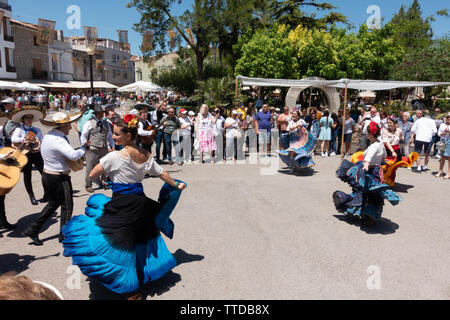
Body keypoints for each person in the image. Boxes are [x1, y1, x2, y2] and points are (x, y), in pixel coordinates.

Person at [61, 115, 186, 300]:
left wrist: (107, 180)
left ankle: (131, 290)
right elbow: (162, 174)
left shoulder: (115, 156)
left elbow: (93, 174)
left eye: (118, 134)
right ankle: (142, 274)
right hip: (140, 202)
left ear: (129, 135)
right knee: (139, 237)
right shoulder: (146, 154)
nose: (115, 137)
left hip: (123, 203)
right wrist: (176, 185)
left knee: (120, 241)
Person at [23, 112, 86, 246]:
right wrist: (83, 148)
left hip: (48, 175)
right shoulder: (59, 139)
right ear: (63, 125)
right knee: (67, 206)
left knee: (53, 204)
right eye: (68, 125)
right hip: (59, 178)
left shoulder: (50, 135)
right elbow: (73, 155)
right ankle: (64, 236)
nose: (70, 127)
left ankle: (33, 229)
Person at [333, 121, 401, 227]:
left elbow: (368, 158)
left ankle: (368, 216)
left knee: (366, 192)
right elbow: (383, 155)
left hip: (371, 171)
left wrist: (365, 165)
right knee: (372, 195)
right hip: (378, 171)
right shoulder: (380, 143)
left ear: (369, 134)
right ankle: (369, 215)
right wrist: (384, 161)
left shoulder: (373, 146)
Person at [10, 107, 48, 205]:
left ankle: (46, 194)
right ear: (23, 120)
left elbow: (41, 140)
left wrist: (36, 141)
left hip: (36, 154)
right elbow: (13, 139)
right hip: (25, 155)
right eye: (27, 118)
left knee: (44, 174)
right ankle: (32, 196)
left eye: (31, 117)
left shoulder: (37, 129)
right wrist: (24, 139)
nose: (29, 119)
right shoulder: (19, 129)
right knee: (27, 176)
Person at [81, 105, 115, 193]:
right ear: (95, 114)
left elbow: (109, 136)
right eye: (98, 113)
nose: (100, 115)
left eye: (101, 113)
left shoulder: (106, 123)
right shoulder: (89, 123)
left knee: (104, 166)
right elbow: (83, 135)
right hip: (92, 148)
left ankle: (104, 182)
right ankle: (88, 185)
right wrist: (84, 145)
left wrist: (112, 145)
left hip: (104, 148)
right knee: (90, 167)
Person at [435, 113, 450, 179]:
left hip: (449, 141)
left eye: (449, 117)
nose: (449, 118)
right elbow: (438, 134)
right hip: (442, 141)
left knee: (449, 157)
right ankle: (440, 171)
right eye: (447, 117)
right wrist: (443, 133)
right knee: (442, 156)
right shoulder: (442, 124)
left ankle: (448, 173)